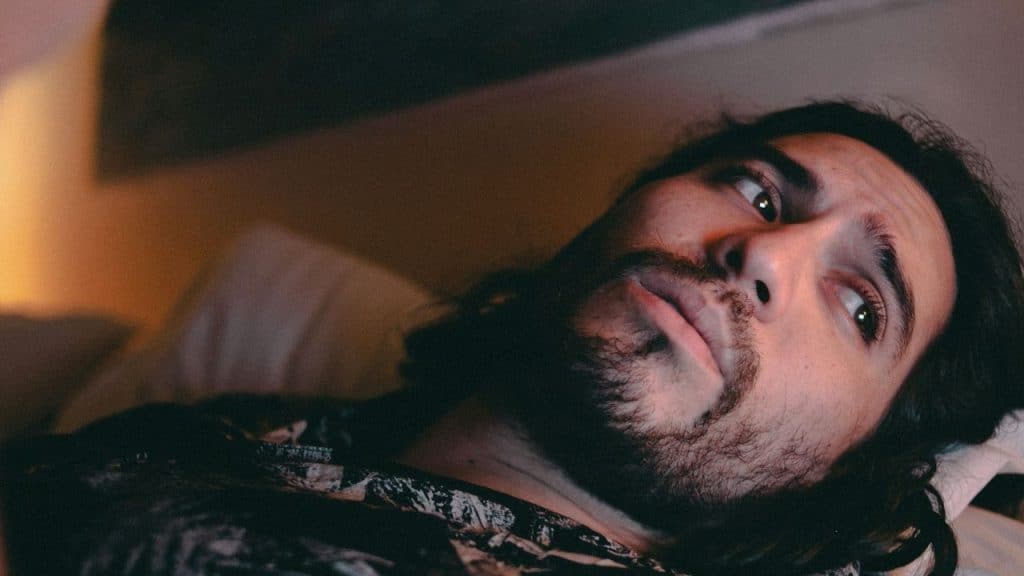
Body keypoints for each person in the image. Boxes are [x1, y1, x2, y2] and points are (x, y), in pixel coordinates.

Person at [2, 101, 1022, 576]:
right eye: (755, 190)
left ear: (852, 466)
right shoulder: (267, 427)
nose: (764, 253)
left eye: (861, 307)